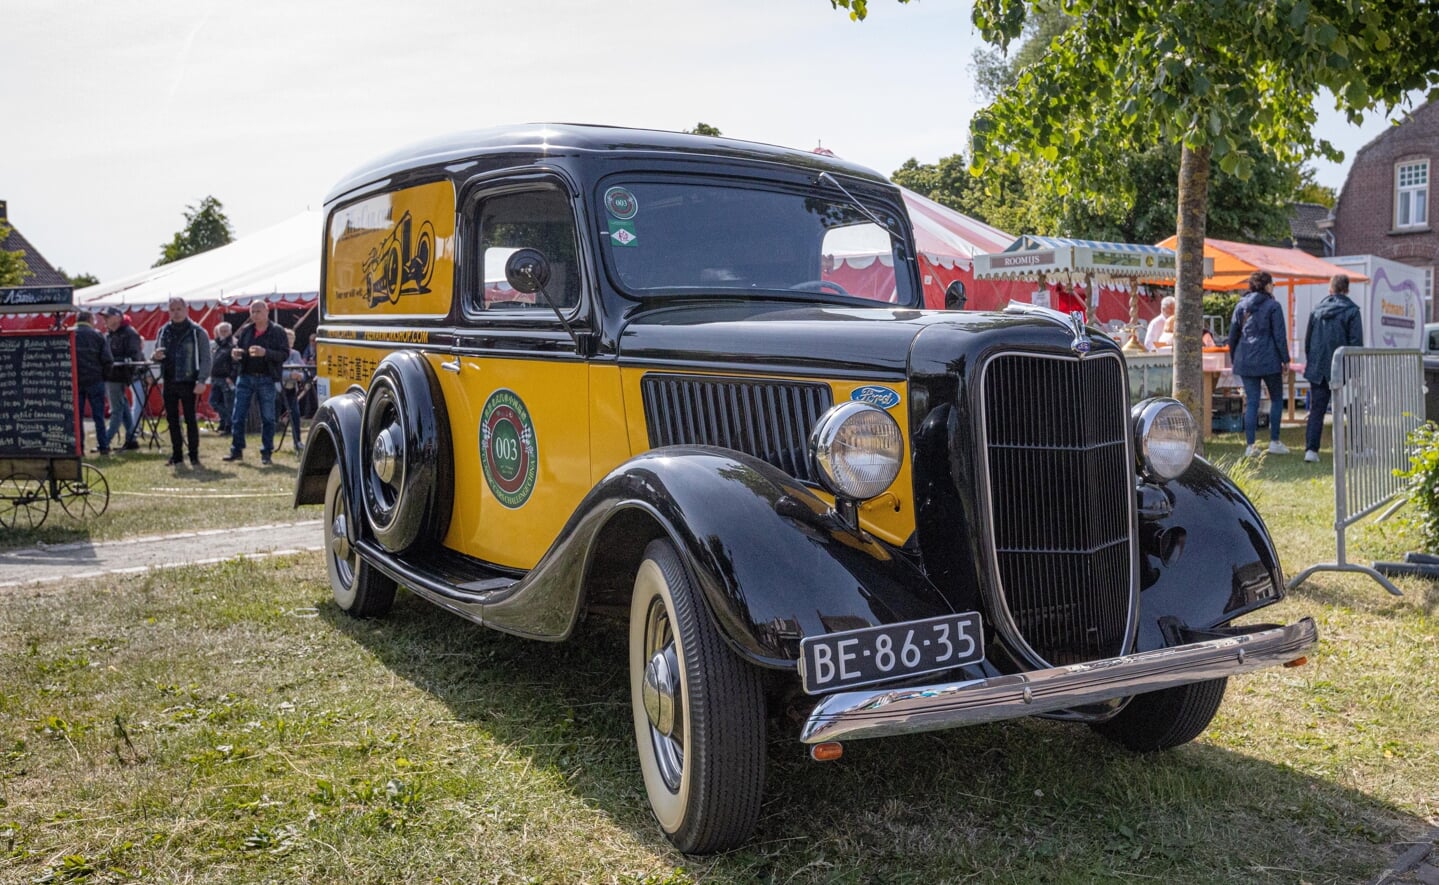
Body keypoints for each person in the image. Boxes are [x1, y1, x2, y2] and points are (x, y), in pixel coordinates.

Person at [1227, 270, 1292, 457]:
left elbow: (1233, 336)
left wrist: (1235, 358)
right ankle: (1274, 441)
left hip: (1245, 359)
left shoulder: (1241, 306)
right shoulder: (1273, 306)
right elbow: (1279, 336)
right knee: (1277, 399)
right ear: (1268, 285)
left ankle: (1250, 446)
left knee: (1252, 402)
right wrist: (1285, 359)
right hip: (1270, 359)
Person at [1302, 273, 1364, 463]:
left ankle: (1311, 451)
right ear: (1347, 289)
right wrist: (1356, 371)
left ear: (1331, 289)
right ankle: (1357, 449)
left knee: (1317, 410)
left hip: (1319, 367)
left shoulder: (1317, 310)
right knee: (1353, 409)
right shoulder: (1352, 311)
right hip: (1342, 367)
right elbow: (1355, 343)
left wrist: (1312, 362)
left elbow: (1308, 341)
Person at [224, 301, 289, 465]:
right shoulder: (247, 331)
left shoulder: (277, 331)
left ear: (267, 311)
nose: (255, 315)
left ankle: (266, 452)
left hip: (266, 378)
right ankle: (236, 450)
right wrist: (236, 353)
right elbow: (239, 350)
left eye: (258, 311)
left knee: (268, 418)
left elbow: (284, 354)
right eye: (252, 311)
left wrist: (265, 353)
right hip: (245, 376)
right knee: (238, 416)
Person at [153, 297, 212, 466]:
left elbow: (206, 358)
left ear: (186, 310)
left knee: (190, 420)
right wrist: (155, 356)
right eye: (172, 309)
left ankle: (193, 455)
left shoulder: (197, 331)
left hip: (189, 380)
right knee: (171, 419)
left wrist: (202, 380)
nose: (176, 312)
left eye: (179, 309)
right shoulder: (164, 330)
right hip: (169, 380)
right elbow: (156, 355)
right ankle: (176, 454)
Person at [102, 306, 144, 451]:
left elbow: (134, 357)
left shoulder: (129, 334)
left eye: (107, 317)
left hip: (117, 376)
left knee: (117, 410)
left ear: (118, 318)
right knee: (123, 408)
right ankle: (131, 439)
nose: (105, 320)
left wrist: (113, 362)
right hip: (112, 375)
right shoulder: (110, 334)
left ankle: (104, 441)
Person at [73, 310, 114, 455]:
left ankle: (79, 448)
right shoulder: (97, 335)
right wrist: (104, 377)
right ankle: (103, 446)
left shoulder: (70, 334)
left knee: (77, 418)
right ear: (90, 319)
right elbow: (108, 360)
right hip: (95, 380)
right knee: (98, 416)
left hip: (75, 381)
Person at [279, 327, 306, 453]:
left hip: (290, 389)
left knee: (295, 414)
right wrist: (289, 375)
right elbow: (275, 372)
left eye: (291, 340)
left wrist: (300, 376)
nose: (289, 342)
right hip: (277, 389)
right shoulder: (277, 352)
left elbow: (302, 369)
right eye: (287, 339)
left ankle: (298, 442)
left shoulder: (295, 354)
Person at [209, 322, 236, 434]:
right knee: (214, 401)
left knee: (228, 403)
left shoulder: (233, 345)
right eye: (222, 331)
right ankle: (224, 422)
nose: (223, 333)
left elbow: (236, 363)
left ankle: (229, 425)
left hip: (226, 379)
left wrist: (231, 376)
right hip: (215, 378)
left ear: (230, 332)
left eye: (226, 331)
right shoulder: (218, 345)